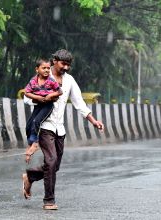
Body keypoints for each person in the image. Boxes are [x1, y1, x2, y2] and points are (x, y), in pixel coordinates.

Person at [22, 49, 104, 210]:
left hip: (59, 128)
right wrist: (43, 99)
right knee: (51, 161)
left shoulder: (70, 81)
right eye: (63, 64)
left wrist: (94, 121)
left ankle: (30, 176)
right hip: (44, 126)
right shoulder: (42, 76)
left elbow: (79, 103)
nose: (65, 67)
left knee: (55, 165)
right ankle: (49, 200)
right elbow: (26, 97)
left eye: (68, 65)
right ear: (54, 62)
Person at [24, 59, 62, 164]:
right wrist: (37, 97)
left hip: (48, 105)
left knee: (37, 121)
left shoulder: (51, 80)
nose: (46, 70)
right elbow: (27, 92)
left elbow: (60, 91)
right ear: (37, 69)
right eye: (43, 68)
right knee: (28, 125)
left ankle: (35, 143)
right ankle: (30, 143)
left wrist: (50, 95)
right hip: (38, 104)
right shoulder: (33, 81)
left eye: (48, 68)